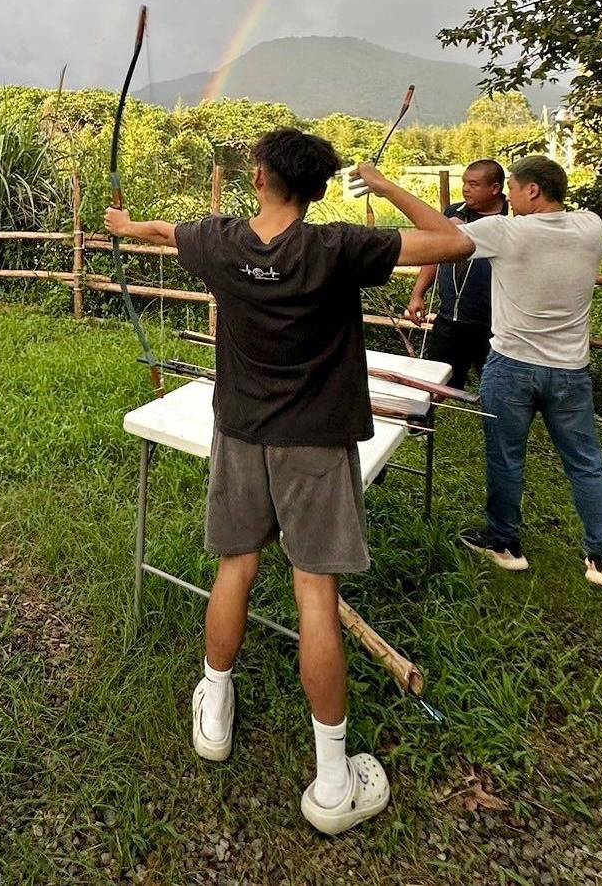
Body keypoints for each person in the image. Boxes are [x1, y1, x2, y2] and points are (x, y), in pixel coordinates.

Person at [104, 129, 473, 836]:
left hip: (242, 433)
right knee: (315, 593)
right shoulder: (337, 248)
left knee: (235, 567)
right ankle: (332, 782)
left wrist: (124, 224)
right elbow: (455, 242)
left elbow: (159, 230)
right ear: (317, 189)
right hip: (316, 444)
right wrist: (384, 185)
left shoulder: (218, 242)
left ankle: (214, 707)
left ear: (260, 177)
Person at [446, 155, 602, 589]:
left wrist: (384, 186)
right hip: (570, 370)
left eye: (513, 189)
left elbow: (443, 236)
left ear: (532, 190)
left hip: (511, 366)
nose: (509, 198)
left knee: (506, 457)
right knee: (586, 464)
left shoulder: (507, 231)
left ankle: (505, 544)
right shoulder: (591, 226)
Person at [404, 160, 508, 388]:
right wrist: (418, 293)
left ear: (495, 188)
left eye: (474, 184)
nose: (466, 189)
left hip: (495, 325)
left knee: (497, 389)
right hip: (449, 319)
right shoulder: (454, 213)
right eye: (464, 183)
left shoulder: (513, 219)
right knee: (435, 385)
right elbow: (434, 253)